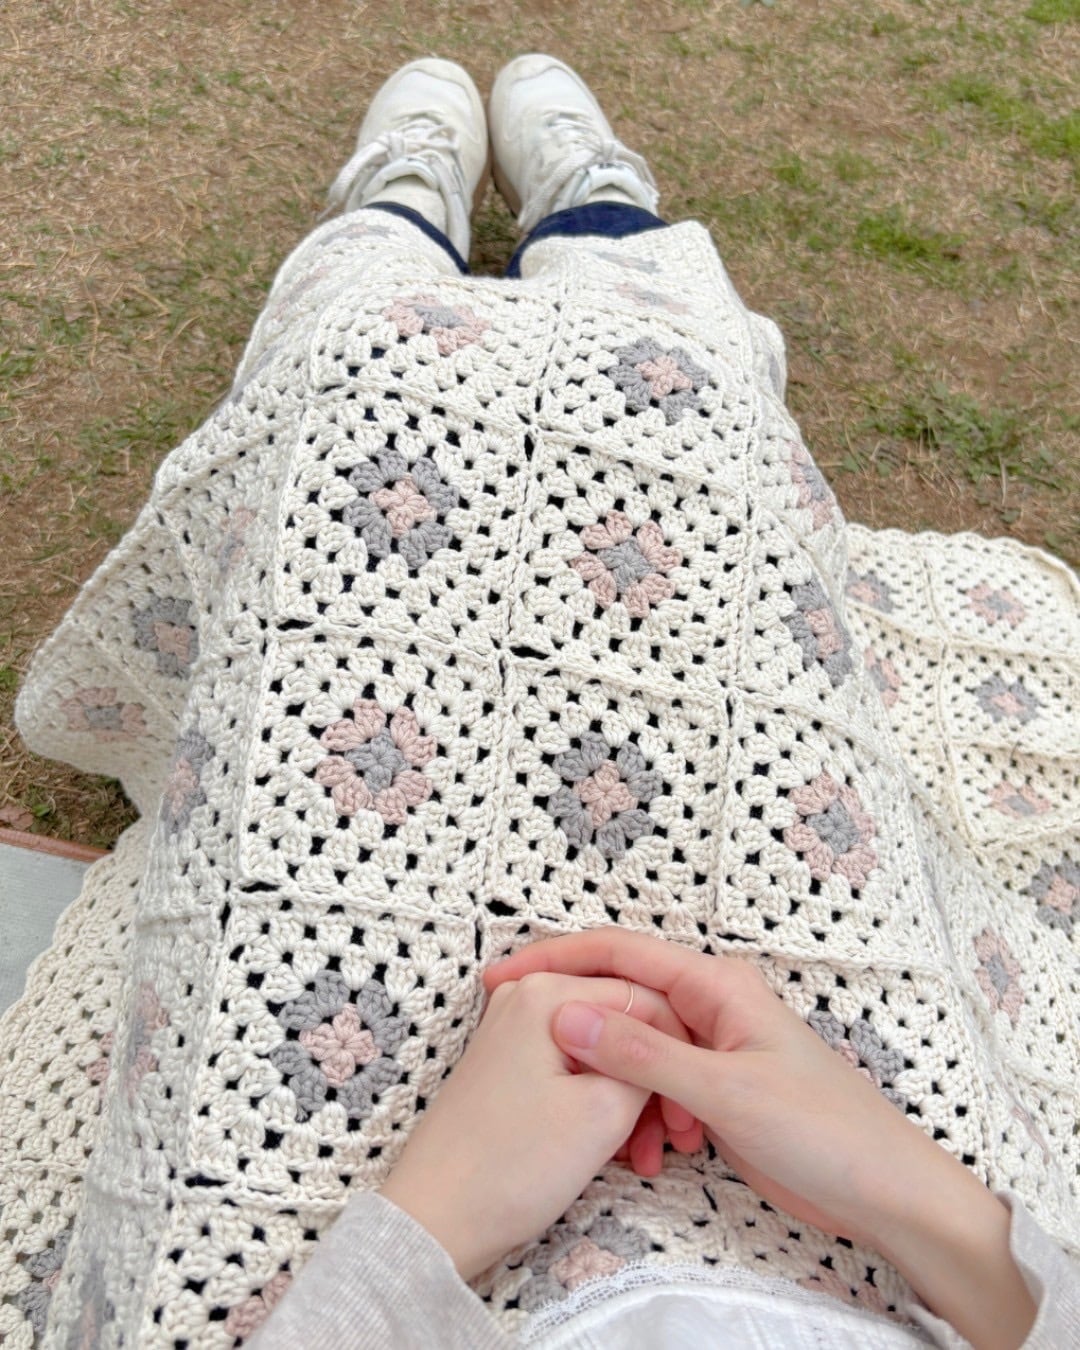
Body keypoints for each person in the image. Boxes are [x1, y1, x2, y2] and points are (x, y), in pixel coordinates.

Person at [2, 53, 1077, 1350]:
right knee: (699, 429)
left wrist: (425, 1228)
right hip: (902, 1238)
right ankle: (600, 214)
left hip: (375, 1250)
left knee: (356, 406)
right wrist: (936, 1211)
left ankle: (390, 218)